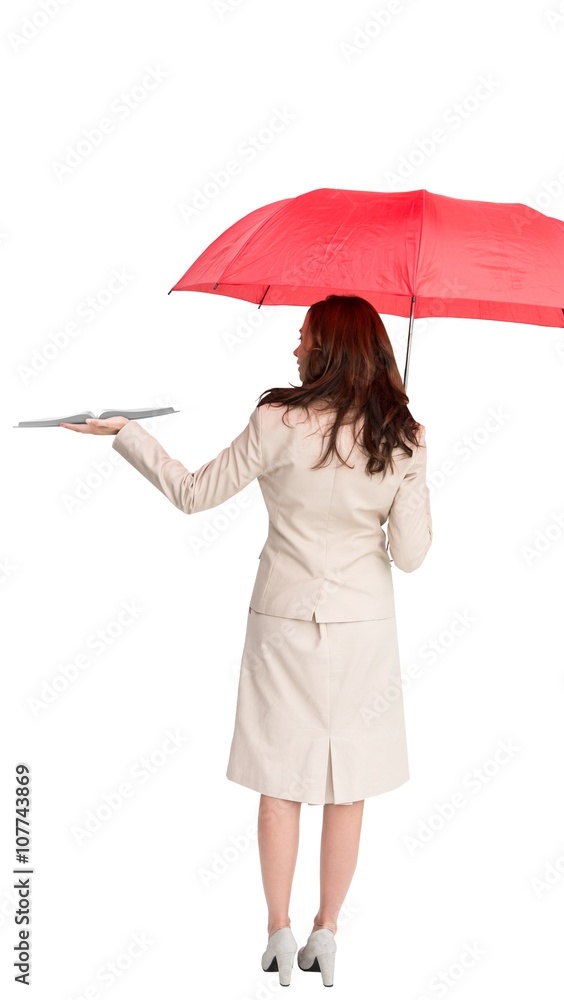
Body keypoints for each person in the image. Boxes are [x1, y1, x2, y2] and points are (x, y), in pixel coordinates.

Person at [60, 293, 432, 986]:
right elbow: (410, 555)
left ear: (326, 349)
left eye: (303, 339)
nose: (294, 348)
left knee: (278, 782)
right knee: (347, 786)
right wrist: (404, 471)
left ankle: (278, 932)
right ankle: (328, 932)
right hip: (362, 632)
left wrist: (125, 433)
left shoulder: (277, 420)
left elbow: (195, 493)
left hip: (283, 625)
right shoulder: (403, 436)